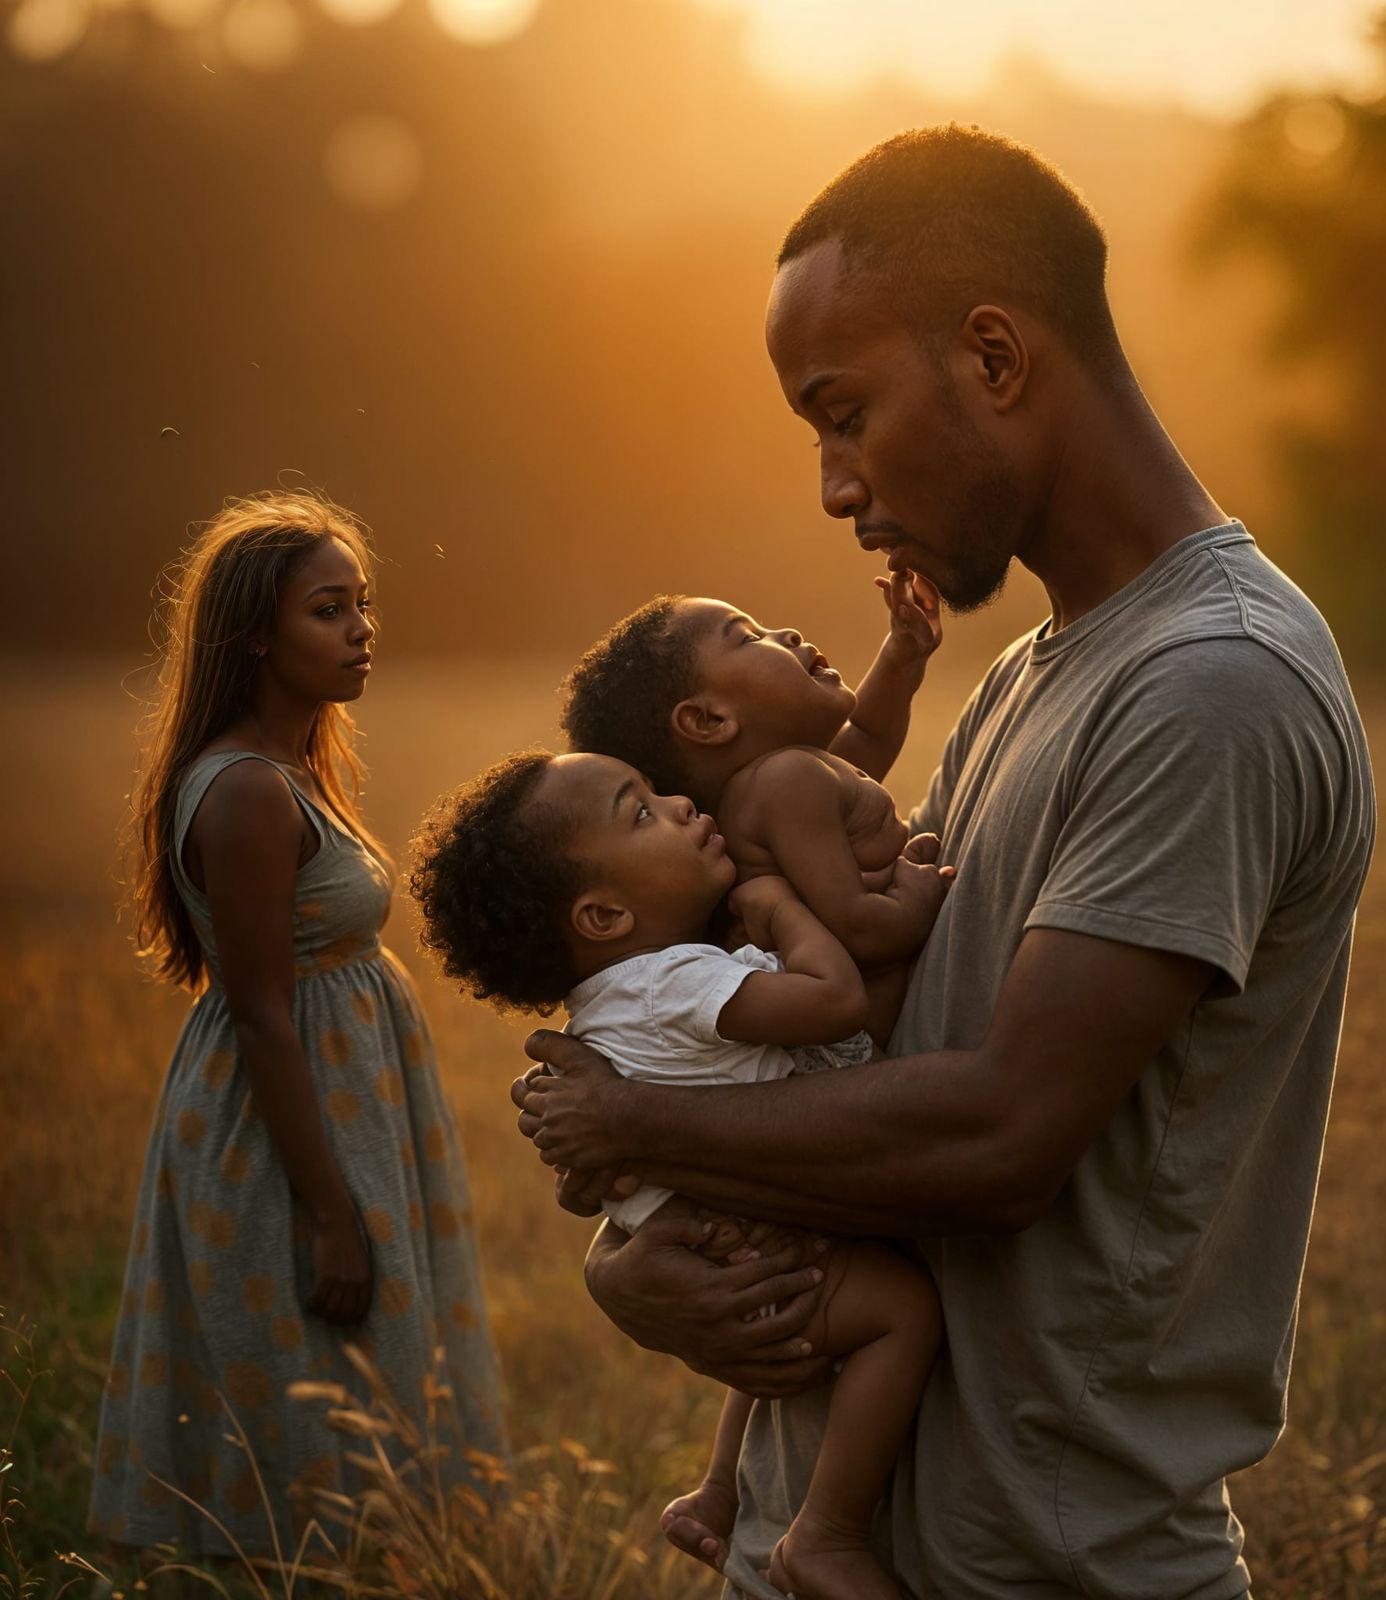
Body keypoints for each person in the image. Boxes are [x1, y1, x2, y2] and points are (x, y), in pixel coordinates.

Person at [514, 123, 1376, 1600]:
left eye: (843, 413)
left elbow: (998, 1138)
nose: (838, 485)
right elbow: (858, 1062)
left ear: (992, 355)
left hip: (1045, 1562)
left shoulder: (1212, 683)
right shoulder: (1030, 676)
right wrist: (631, 1258)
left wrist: (636, 1133)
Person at [408, 748, 941, 1599]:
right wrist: (782, 909)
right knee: (902, 1314)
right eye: (643, 811)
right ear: (607, 915)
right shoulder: (676, 986)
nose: (682, 801)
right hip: (767, 1243)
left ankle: (723, 1487)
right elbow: (835, 1003)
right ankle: (828, 1536)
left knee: (782, 1344)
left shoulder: (613, 1005)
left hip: (720, 1244)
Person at [92, 491, 505, 1558]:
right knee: (311, 1395)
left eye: (362, 604)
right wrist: (329, 1210)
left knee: (352, 1389)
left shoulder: (291, 776)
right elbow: (264, 1014)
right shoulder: (244, 795)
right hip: (291, 1131)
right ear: (255, 636)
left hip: (340, 1105)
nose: (361, 628)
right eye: (329, 609)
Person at [560, 578, 948, 1042]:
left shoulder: (779, 783)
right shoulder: (786, 782)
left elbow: (868, 734)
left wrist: (901, 656)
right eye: (748, 637)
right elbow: (861, 926)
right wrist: (919, 898)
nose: (784, 633)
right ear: (709, 721)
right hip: (861, 1040)